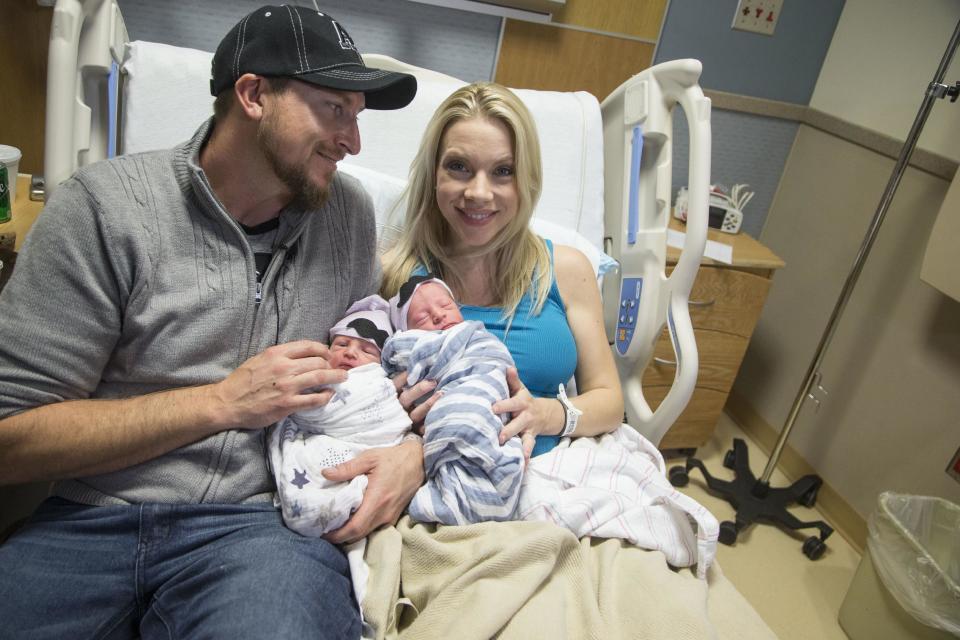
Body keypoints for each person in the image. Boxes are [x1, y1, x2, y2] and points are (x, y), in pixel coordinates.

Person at [0, 6, 421, 638]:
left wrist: (411, 453)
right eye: (334, 109)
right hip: (88, 521)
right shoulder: (106, 211)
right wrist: (222, 403)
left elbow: (370, 382)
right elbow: (11, 438)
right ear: (254, 95)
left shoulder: (347, 217)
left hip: (260, 533)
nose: (352, 141)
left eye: (356, 115)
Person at [380, 82, 624, 462]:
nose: (478, 192)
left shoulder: (566, 270)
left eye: (502, 171)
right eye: (458, 166)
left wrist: (548, 415)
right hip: (431, 473)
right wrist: (393, 408)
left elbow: (610, 402)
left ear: (526, 179)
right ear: (433, 174)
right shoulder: (392, 276)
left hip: (552, 470)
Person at [383, 275, 522, 525]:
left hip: (489, 409)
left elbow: (497, 364)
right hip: (443, 423)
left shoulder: (476, 336)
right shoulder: (410, 343)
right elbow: (400, 356)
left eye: (446, 306)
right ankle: (458, 498)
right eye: (422, 318)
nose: (438, 316)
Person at [269, 295, 412, 538]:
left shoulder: (379, 383)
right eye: (342, 344)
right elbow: (295, 408)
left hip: (366, 444)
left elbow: (392, 420)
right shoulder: (316, 377)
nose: (350, 353)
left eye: (367, 350)